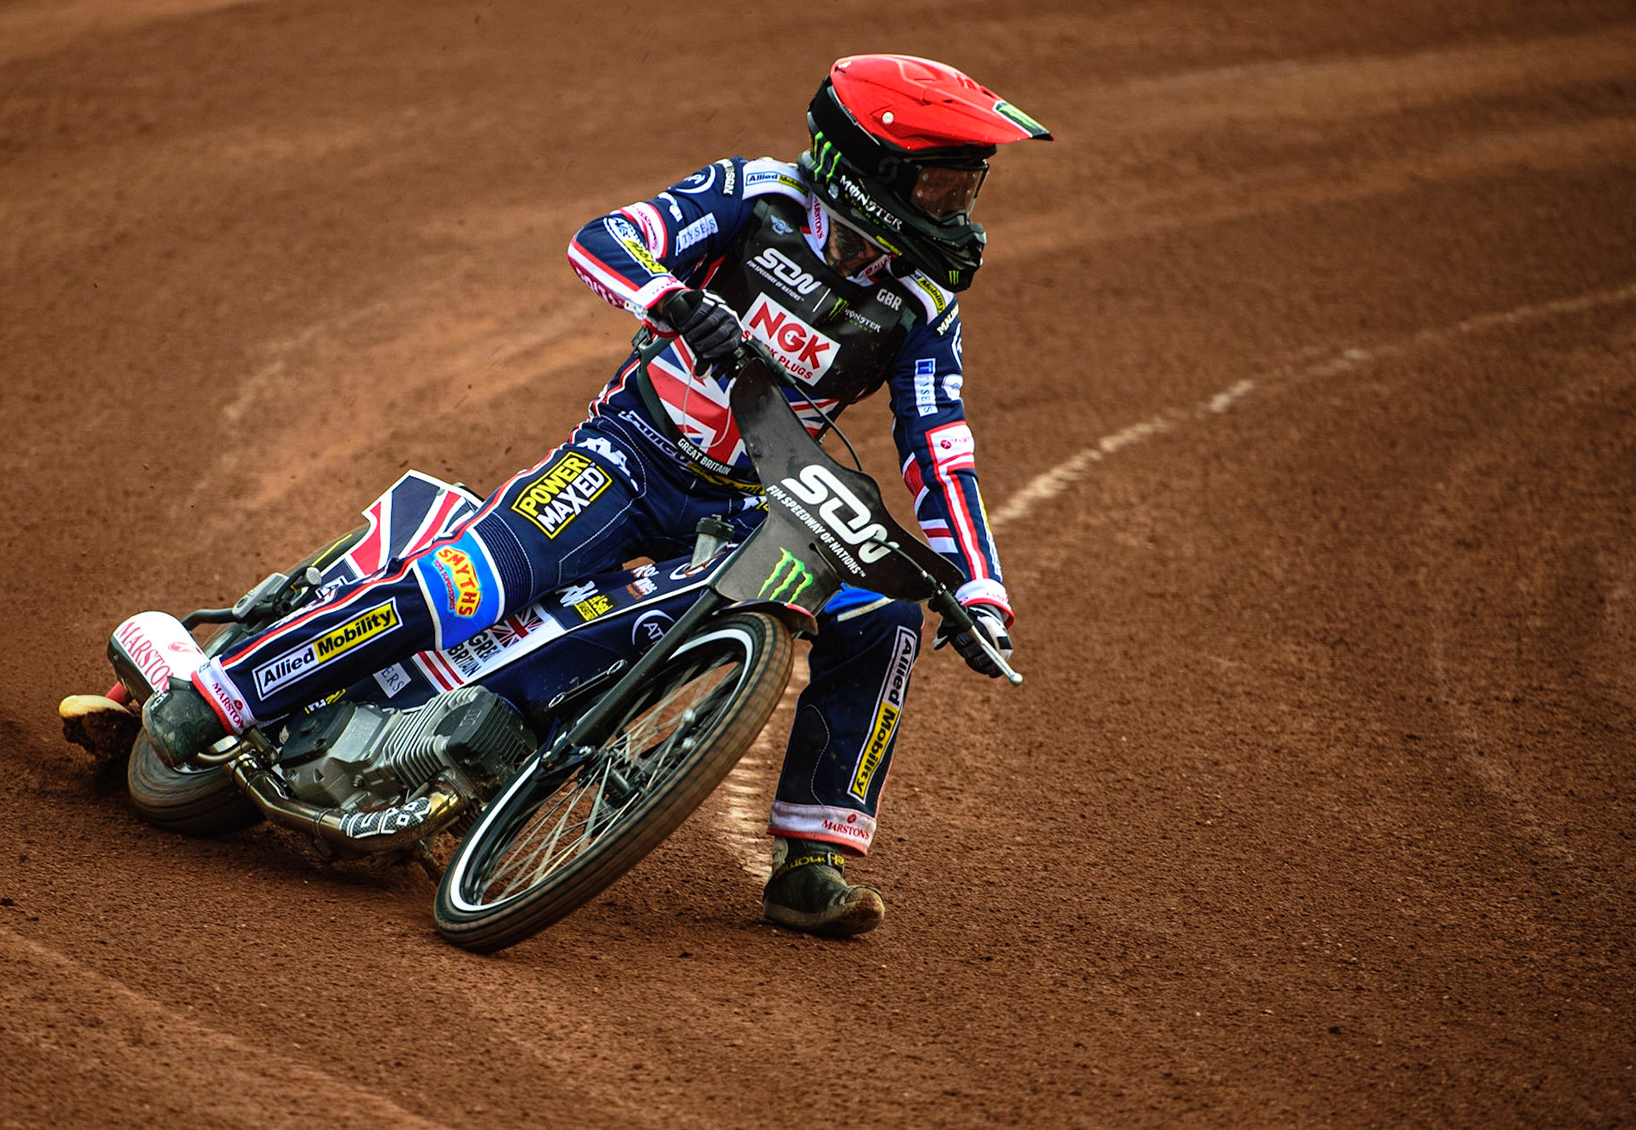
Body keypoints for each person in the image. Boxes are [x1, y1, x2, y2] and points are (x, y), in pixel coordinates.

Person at [142, 54, 1050, 935]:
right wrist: (672, 301)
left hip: (753, 501)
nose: (958, 211)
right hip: (626, 457)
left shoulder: (921, 302)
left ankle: (813, 862)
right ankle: (225, 695)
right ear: (871, 168)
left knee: (879, 614)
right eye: (944, 186)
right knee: (471, 584)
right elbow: (605, 240)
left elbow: (942, 451)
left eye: (967, 189)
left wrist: (979, 591)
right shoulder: (755, 195)